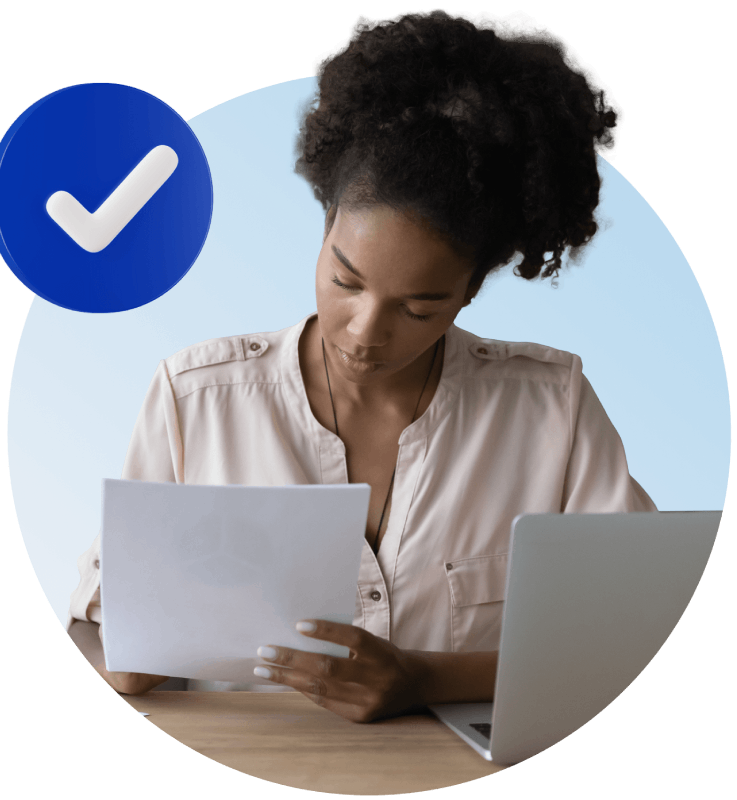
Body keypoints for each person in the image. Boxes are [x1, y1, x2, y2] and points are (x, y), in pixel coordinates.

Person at [67, 10, 656, 723]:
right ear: (324, 228)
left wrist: (426, 678)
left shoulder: (551, 407)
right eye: (345, 280)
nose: (365, 332)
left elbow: (637, 630)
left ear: (471, 289)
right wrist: (125, 657)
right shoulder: (197, 398)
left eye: (420, 307)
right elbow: (93, 629)